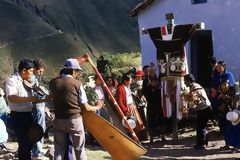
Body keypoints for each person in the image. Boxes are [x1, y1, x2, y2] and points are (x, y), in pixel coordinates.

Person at [49, 58, 103, 160]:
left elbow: (50, 97)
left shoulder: (53, 83)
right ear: (73, 71)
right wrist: (97, 107)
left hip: (58, 120)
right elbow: (86, 107)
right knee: (79, 150)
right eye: (77, 71)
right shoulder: (77, 84)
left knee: (59, 150)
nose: (77, 74)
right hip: (74, 120)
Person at [5, 59, 50, 160]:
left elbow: (33, 100)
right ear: (24, 70)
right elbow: (11, 98)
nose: (31, 74)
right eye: (30, 71)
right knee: (24, 143)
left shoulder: (28, 81)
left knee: (30, 141)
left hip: (28, 114)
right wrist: (30, 99)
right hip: (18, 115)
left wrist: (47, 98)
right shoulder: (12, 81)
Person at [183, 74, 212, 149]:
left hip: (205, 109)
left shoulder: (196, 87)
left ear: (189, 81)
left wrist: (189, 104)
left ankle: (201, 144)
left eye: (185, 81)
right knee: (201, 126)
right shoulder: (193, 87)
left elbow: (196, 100)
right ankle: (203, 142)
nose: (184, 83)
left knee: (200, 126)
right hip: (203, 109)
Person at [31, 58, 48, 159]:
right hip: (37, 107)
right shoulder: (32, 78)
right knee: (38, 128)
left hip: (40, 106)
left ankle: (38, 150)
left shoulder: (35, 78)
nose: (41, 73)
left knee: (41, 127)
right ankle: (37, 152)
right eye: (40, 70)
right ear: (35, 69)